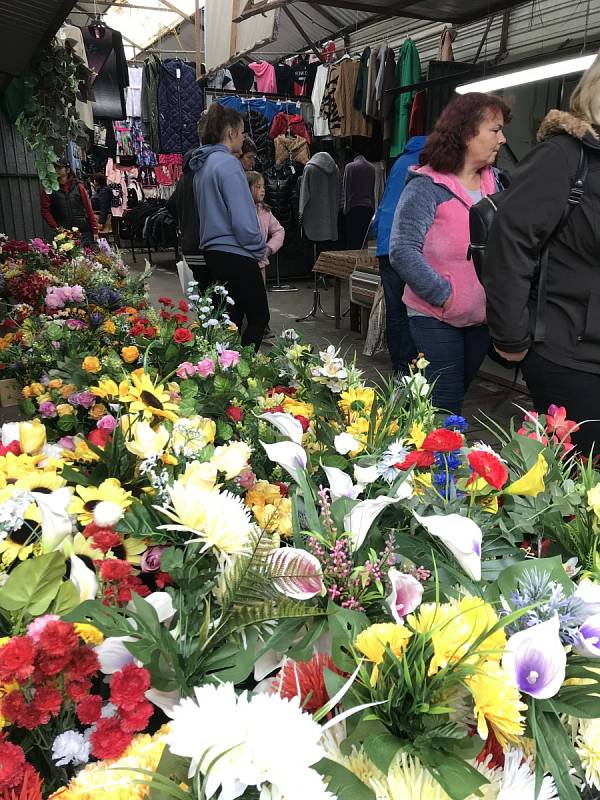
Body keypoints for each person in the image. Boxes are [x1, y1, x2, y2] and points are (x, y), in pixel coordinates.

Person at [483, 54, 600, 455]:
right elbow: (509, 242)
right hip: (569, 357)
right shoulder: (565, 157)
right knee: (583, 493)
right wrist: (513, 335)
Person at [389, 93, 510, 413]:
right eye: (495, 130)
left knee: (453, 391)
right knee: (446, 402)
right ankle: (432, 459)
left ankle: (413, 436)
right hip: (435, 316)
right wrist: (445, 295)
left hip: (481, 316)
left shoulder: (495, 184)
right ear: (467, 132)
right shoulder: (426, 186)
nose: (503, 138)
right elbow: (401, 249)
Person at [190, 104, 268, 350]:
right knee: (258, 317)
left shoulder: (202, 166)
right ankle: (244, 373)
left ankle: (224, 370)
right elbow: (243, 221)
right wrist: (260, 248)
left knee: (230, 319)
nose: (244, 138)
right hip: (236, 252)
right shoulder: (229, 165)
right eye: (243, 132)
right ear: (231, 132)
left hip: (213, 253)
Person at [372, 135, 426, 375]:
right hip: (409, 244)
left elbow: (384, 204)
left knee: (396, 311)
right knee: (416, 310)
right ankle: (414, 367)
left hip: (386, 244)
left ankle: (399, 368)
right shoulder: (428, 164)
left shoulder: (400, 162)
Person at [167, 114, 209, 289]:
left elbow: (171, 204)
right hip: (208, 247)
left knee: (207, 301)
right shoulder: (208, 171)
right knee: (223, 304)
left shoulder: (186, 175)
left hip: (190, 245)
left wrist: (184, 224)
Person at [247, 170, 285, 340]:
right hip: (245, 262)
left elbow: (278, 230)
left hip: (260, 264)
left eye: (263, 186)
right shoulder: (241, 209)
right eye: (258, 186)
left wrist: (269, 248)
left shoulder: (265, 211)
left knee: (260, 297)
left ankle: (262, 326)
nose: (263, 190)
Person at [40, 159, 99, 246]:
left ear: (67, 170)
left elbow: (88, 208)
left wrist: (95, 229)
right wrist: (57, 228)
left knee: (87, 257)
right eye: (54, 168)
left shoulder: (78, 187)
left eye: (59, 168)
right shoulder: (50, 189)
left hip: (82, 230)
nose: (56, 170)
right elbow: (45, 211)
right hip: (63, 232)